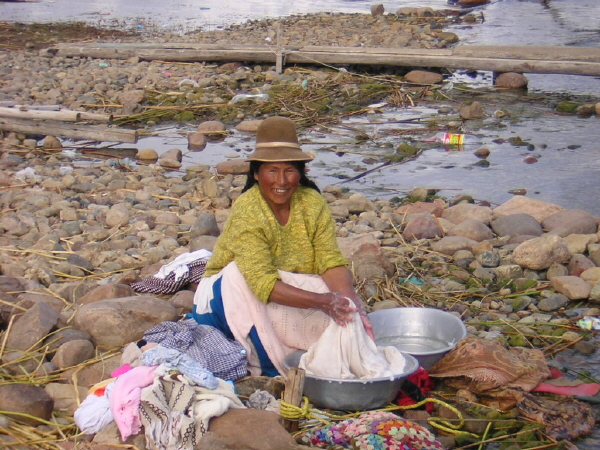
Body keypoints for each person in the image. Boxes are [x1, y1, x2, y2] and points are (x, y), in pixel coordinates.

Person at [190, 116, 373, 378]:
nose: (282, 180)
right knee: (238, 275)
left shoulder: (311, 202)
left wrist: (347, 301)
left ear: (301, 172)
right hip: (227, 298)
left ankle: (315, 358)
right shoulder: (248, 210)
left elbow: (329, 260)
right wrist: (322, 302)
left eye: (289, 170)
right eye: (272, 170)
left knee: (339, 304)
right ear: (256, 174)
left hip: (286, 285)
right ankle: (270, 365)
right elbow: (262, 282)